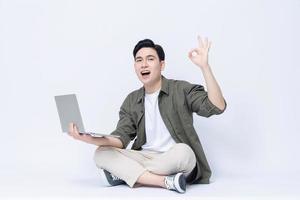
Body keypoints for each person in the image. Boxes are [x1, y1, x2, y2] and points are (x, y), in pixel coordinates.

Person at [68, 36, 226, 193]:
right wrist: (87, 138)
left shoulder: (181, 89)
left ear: (162, 65)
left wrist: (205, 67)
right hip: (145, 156)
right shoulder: (132, 100)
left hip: (173, 157)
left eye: (150, 59)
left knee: (185, 153)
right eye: (139, 60)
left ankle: (126, 174)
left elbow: (217, 106)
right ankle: (165, 181)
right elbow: (120, 140)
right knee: (101, 154)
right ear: (135, 66)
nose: (144, 64)